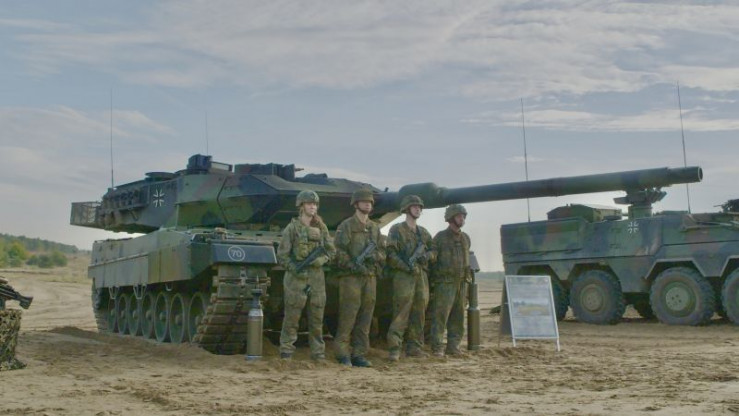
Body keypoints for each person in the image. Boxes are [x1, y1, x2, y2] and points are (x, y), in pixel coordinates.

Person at [277, 190, 335, 361]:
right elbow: (282, 255)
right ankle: (286, 351)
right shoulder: (292, 228)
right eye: (309, 203)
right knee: (292, 317)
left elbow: (331, 251)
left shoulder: (321, 228)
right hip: (296, 278)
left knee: (317, 318)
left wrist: (322, 260)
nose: (313, 207)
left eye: (315, 204)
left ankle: (318, 353)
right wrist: (294, 268)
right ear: (301, 206)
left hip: (316, 277)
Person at [333, 188, 386, 367]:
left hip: (369, 276)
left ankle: (359, 354)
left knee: (366, 317)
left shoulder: (374, 228)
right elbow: (339, 251)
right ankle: (342, 354)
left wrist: (374, 257)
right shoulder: (346, 226)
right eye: (364, 202)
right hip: (351, 277)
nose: (368, 205)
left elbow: (382, 252)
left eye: (370, 202)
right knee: (348, 316)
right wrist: (352, 264)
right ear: (356, 204)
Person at [385, 194, 435, 361]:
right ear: (406, 209)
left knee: (419, 312)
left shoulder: (423, 233)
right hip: (403, 275)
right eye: (414, 206)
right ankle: (394, 347)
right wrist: (405, 266)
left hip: (421, 275)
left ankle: (414, 347)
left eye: (420, 207)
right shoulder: (397, 229)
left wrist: (426, 256)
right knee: (401, 311)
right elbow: (390, 253)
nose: (418, 209)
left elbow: (434, 250)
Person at [429, 204, 472, 357]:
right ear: (451, 218)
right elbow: (432, 260)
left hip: (462, 283)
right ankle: (437, 347)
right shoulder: (440, 237)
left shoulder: (465, 238)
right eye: (459, 216)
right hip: (445, 283)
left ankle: (453, 346)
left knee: (458, 317)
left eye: (463, 216)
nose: (462, 219)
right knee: (440, 317)